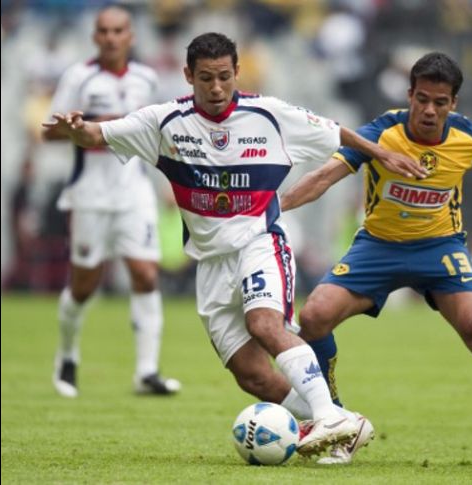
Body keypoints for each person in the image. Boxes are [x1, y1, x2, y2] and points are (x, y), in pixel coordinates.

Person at [42, 32, 425, 457]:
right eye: (206, 78)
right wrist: (76, 130)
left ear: (237, 72)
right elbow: (99, 134)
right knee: (252, 377)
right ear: (188, 75)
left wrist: (381, 154)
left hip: (259, 242)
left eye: (225, 76)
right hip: (209, 262)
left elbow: (336, 133)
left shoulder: (271, 115)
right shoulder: (163, 122)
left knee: (266, 325)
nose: (217, 87)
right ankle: (340, 424)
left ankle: (329, 416)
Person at [281, 52, 472, 468]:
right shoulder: (382, 133)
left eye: (440, 102)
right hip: (379, 245)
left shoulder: (466, 137)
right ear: (409, 95)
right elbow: (324, 176)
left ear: (454, 104)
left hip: (440, 249)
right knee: (316, 316)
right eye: (423, 99)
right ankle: (335, 420)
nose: (430, 110)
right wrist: (275, 207)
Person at [43, 5, 180, 398]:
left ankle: (147, 372)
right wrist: (72, 128)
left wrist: (168, 180)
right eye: (103, 30)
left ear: (130, 36)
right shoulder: (79, 77)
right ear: (94, 36)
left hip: (133, 190)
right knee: (85, 285)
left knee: (146, 274)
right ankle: (67, 356)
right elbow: (47, 133)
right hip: (90, 194)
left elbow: (160, 134)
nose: (110, 37)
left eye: (118, 30)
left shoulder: (146, 78)